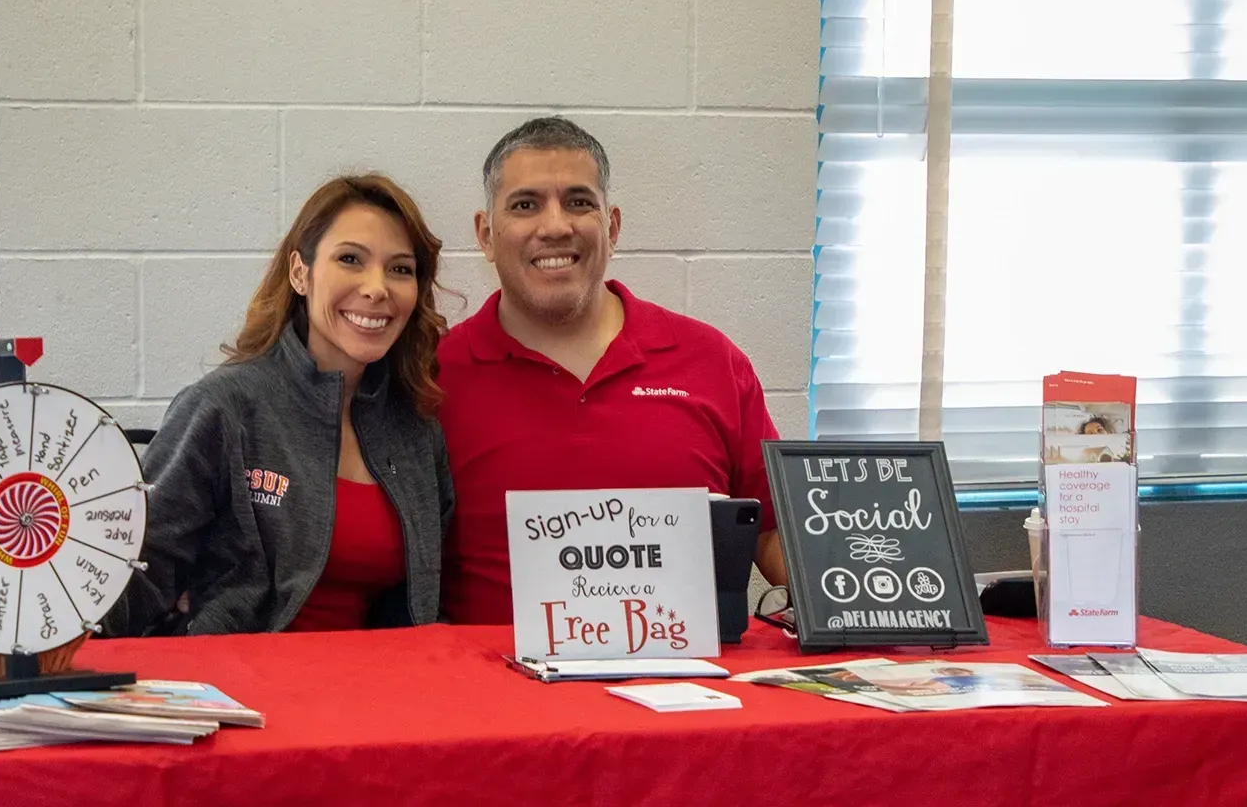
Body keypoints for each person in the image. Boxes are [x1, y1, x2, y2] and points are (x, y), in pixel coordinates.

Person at [435, 116, 788, 625]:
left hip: (682, 695)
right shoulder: (435, 377)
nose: (555, 226)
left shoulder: (712, 362)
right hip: (495, 695)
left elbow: (775, 532)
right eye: (525, 204)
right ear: (486, 235)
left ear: (612, 227)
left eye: (579, 202)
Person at [116, 175, 455, 635]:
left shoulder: (415, 430)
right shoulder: (225, 407)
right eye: (350, 259)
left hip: (379, 694)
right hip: (240, 693)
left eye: (400, 269)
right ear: (300, 273)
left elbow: (425, 602)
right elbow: (134, 575)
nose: (377, 288)